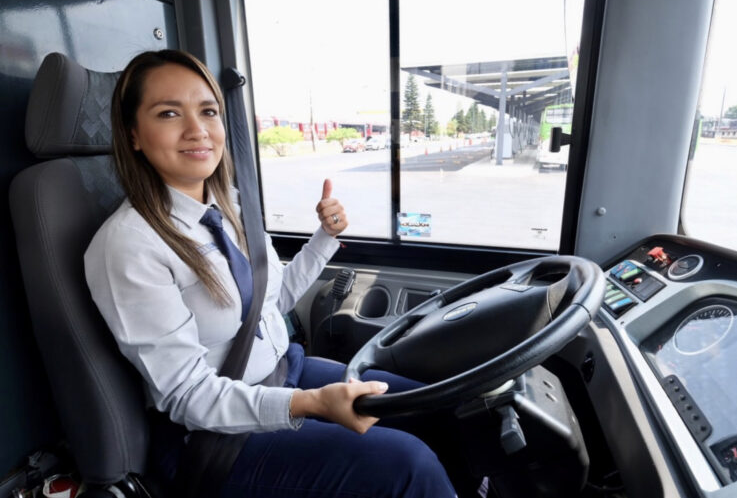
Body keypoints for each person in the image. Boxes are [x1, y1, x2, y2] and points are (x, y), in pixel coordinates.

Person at [83, 50, 460, 497]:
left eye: (208, 111)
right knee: (408, 465)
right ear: (134, 136)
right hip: (213, 437)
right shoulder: (129, 244)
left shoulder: (230, 208)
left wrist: (324, 238)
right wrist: (310, 404)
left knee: (436, 408)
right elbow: (187, 396)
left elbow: (270, 303)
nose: (197, 130)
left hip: (286, 371)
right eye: (168, 113)